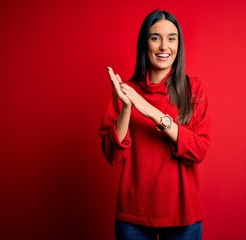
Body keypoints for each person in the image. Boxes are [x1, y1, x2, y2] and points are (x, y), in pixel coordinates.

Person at [99, 9, 211, 240]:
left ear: (178, 45)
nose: (164, 46)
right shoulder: (125, 91)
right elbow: (111, 154)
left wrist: (151, 112)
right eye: (155, 38)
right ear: (144, 43)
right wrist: (128, 107)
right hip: (133, 218)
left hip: (183, 217)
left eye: (172, 38)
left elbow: (198, 150)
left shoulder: (194, 89)